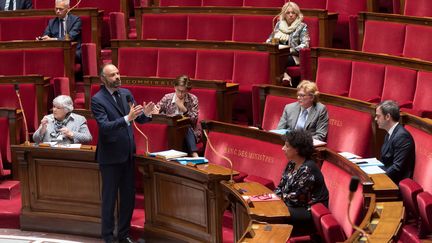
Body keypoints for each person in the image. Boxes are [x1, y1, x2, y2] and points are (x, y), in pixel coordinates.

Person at [91, 63, 156, 243]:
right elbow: (105, 127)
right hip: (110, 158)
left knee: (128, 197)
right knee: (110, 199)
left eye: (118, 73)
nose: (117, 77)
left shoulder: (126, 93)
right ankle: (107, 237)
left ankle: (124, 235)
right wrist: (128, 118)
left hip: (128, 155)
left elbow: (138, 118)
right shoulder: (97, 100)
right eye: (112, 75)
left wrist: (148, 114)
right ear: (103, 79)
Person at [274, 129, 328, 232]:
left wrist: (274, 199)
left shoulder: (308, 169)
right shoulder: (292, 163)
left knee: (272, 212)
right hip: (292, 205)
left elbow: (295, 199)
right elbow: (281, 186)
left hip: (308, 210)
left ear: (297, 150)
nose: (283, 148)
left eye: (287, 146)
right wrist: (272, 197)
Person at [153, 75, 200, 157]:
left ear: (187, 90)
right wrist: (154, 112)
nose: (181, 94)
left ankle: (194, 153)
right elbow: (157, 110)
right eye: (179, 90)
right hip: (170, 129)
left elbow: (194, 120)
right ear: (175, 87)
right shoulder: (167, 98)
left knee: (185, 125)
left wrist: (183, 108)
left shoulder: (193, 99)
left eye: (184, 91)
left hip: (188, 131)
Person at [266, 1, 309, 86]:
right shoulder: (279, 24)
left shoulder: (302, 26)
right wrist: (270, 44)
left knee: (278, 59)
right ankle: (285, 75)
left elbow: (305, 44)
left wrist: (289, 50)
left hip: (294, 56)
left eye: (293, 13)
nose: (290, 15)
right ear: (284, 14)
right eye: (288, 13)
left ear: (297, 14)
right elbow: (269, 40)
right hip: (279, 54)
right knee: (270, 57)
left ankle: (277, 83)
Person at [375, 100, 415, 184]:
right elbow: (384, 160)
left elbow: (397, 167)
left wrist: (377, 178)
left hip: (395, 183)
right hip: (387, 177)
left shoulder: (402, 136)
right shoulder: (389, 133)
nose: (375, 119)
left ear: (387, 117)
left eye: (378, 116)